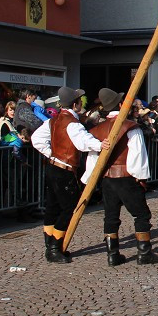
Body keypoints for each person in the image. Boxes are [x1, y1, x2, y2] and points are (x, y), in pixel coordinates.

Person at [83, 88, 158, 266]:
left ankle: (112, 255)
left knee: (111, 216)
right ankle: (144, 253)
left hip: (107, 179)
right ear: (121, 105)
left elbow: (93, 159)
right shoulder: (130, 126)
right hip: (126, 177)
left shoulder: (97, 130)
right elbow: (138, 154)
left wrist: (90, 179)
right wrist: (141, 178)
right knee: (142, 215)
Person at [30, 86, 110, 263]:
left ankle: (50, 245)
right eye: (79, 100)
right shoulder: (71, 123)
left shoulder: (54, 120)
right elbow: (82, 142)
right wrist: (100, 145)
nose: (81, 103)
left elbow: (36, 139)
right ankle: (54, 248)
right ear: (75, 104)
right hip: (63, 170)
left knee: (53, 207)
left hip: (53, 167)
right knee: (68, 208)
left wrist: (51, 154)